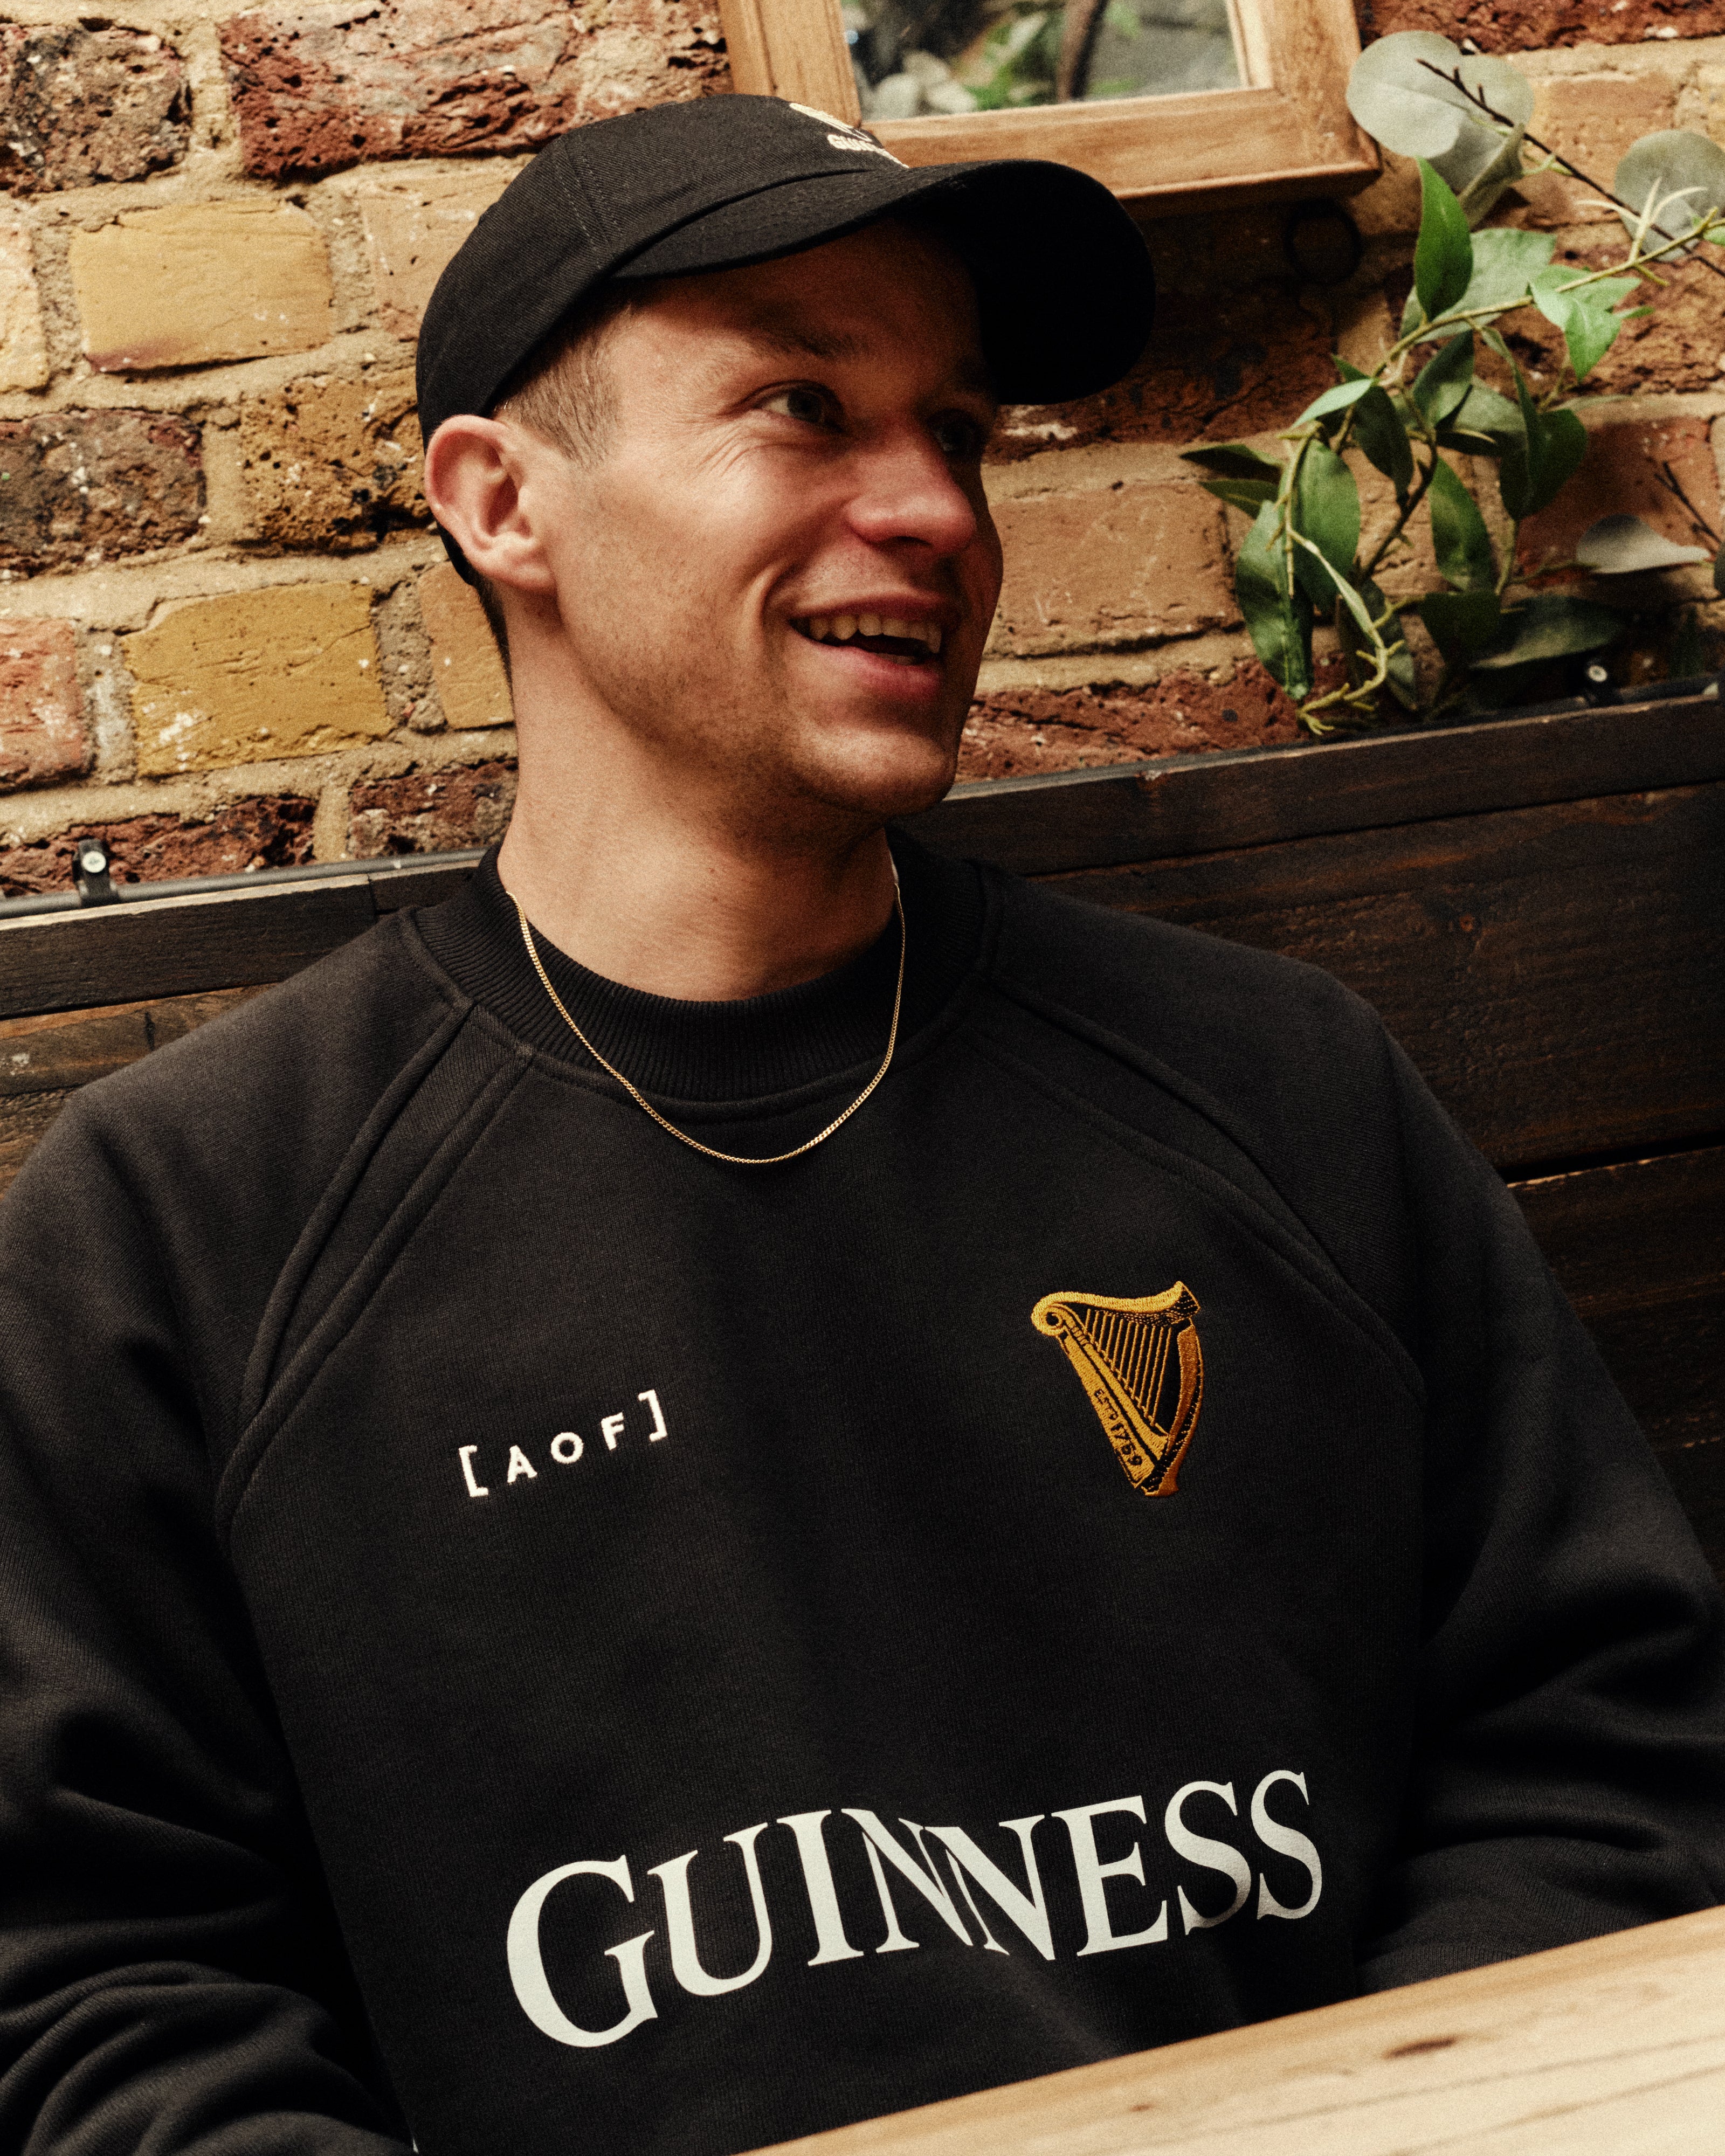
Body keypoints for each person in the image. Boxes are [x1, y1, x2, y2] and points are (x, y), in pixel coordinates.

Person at [0, 92, 1721, 2156]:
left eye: (959, 432)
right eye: (803, 406)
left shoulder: (1280, 1088)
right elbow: (106, 1992)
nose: (933, 511)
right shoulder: (188, 1219)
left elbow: (1603, 1750)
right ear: (503, 503)